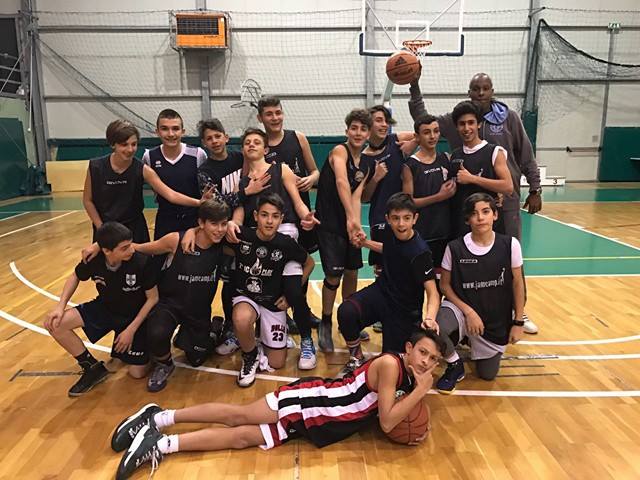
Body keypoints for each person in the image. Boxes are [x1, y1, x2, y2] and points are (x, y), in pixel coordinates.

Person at [111, 329, 444, 480]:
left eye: (433, 359)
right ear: (408, 348)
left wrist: (416, 418)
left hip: (321, 421)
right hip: (312, 400)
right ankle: (159, 417)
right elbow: (387, 421)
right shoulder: (391, 365)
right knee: (237, 416)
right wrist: (422, 392)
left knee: (241, 438)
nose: (426, 362)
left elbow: (381, 414)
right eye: (423, 353)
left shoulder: (409, 376)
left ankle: (161, 445)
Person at [409, 72, 541, 333]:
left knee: (511, 258)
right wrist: (414, 86)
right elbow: (423, 119)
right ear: (469, 92)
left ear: (492, 91)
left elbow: (525, 155)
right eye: (476, 88)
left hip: (504, 205)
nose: (481, 93)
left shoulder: (509, 118)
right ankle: (463, 312)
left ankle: (518, 311)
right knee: (467, 262)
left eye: (485, 88)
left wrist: (535, 188)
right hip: (467, 211)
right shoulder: (456, 123)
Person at [228, 128, 320, 371]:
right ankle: (245, 334)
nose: (251, 145)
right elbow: (239, 211)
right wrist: (233, 224)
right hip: (256, 238)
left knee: (293, 290)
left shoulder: (281, 169)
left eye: (256, 142)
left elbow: (298, 202)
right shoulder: (243, 181)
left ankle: (307, 341)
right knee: (241, 282)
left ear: (265, 148)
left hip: (284, 234)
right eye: (247, 142)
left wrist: (306, 217)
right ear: (243, 149)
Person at [44, 222, 158, 397]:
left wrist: (131, 330)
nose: (131, 250)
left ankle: (150, 350)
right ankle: (91, 367)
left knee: (136, 373)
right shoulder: (94, 259)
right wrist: (60, 307)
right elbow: (75, 276)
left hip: (134, 315)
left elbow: (153, 298)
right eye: (124, 248)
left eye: (130, 244)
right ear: (106, 251)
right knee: (56, 324)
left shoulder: (141, 261)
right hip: (106, 307)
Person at [337, 193, 441, 374]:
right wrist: (366, 243)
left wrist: (430, 318)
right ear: (388, 219)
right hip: (381, 294)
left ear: (415, 219)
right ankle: (356, 358)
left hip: (404, 310)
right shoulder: (389, 233)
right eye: (395, 218)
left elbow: (433, 292)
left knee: (392, 365)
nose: (401, 224)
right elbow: (390, 249)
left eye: (406, 218)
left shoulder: (420, 252)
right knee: (347, 311)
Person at [434, 193, 525, 393]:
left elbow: (518, 284)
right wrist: (469, 312)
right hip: (461, 309)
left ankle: (469, 339)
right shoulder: (454, 248)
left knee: (487, 375)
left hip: (493, 319)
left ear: (495, 215)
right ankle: (455, 364)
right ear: (467, 219)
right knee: (437, 328)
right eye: (474, 214)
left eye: (485, 212)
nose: (480, 218)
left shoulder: (510, 245)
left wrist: (518, 323)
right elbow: (445, 286)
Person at [195, 119, 270, 356]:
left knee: (261, 275)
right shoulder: (204, 172)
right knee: (230, 281)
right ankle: (230, 326)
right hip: (223, 232)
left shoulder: (240, 158)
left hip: (250, 226)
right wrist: (246, 192)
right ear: (204, 143)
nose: (215, 141)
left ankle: (267, 324)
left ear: (226, 137)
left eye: (218, 136)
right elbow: (215, 204)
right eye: (209, 138)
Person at [229, 193, 315, 387]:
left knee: (276, 363)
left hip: (273, 302)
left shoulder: (286, 243)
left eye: (275, 216)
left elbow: (309, 263)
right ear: (255, 216)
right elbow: (214, 236)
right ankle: (250, 356)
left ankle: (262, 339)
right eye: (264, 215)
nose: (269, 221)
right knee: (241, 319)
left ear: (281, 219)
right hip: (248, 297)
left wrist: (289, 296)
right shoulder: (242, 236)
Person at [82, 120, 207, 243]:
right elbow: (88, 200)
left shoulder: (142, 169)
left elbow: (170, 195)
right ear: (112, 144)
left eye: (134, 144)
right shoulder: (96, 167)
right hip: (106, 230)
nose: (130, 149)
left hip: (134, 229)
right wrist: (101, 228)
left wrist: (198, 202)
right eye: (124, 145)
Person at [315, 108, 371, 352]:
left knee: (352, 273)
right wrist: (350, 218)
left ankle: (347, 319)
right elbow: (341, 182)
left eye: (363, 129)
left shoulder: (366, 163)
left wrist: (356, 225)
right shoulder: (339, 151)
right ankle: (326, 322)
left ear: (368, 133)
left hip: (348, 224)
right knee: (333, 276)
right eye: (354, 128)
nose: (358, 133)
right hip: (330, 224)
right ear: (347, 130)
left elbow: (357, 196)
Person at [361, 105, 417, 274]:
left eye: (386, 121)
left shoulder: (395, 140)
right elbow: (364, 198)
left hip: (404, 214)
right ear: (368, 125)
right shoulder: (362, 158)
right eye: (379, 120)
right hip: (380, 218)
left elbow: (423, 133)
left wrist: (413, 142)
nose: (384, 124)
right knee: (383, 269)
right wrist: (375, 178)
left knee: (407, 262)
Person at [447, 101, 513, 239]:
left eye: (471, 122)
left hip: (488, 227)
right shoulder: (455, 155)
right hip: (461, 224)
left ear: (479, 124)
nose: (466, 128)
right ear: (457, 127)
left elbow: (508, 187)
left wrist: (472, 178)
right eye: (462, 124)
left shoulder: (495, 152)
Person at [402, 113, 455, 279]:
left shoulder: (446, 159)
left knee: (441, 283)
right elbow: (408, 203)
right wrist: (438, 197)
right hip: (422, 234)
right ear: (417, 137)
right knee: (418, 282)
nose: (432, 136)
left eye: (436, 131)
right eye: (426, 132)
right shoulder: (410, 165)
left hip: (445, 233)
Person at [142, 109, 209, 239]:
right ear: (157, 132)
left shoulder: (198, 154)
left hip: (193, 219)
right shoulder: (149, 156)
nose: (171, 134)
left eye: (175, 129)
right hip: (165, 219)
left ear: (183, 131)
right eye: (164, 129)